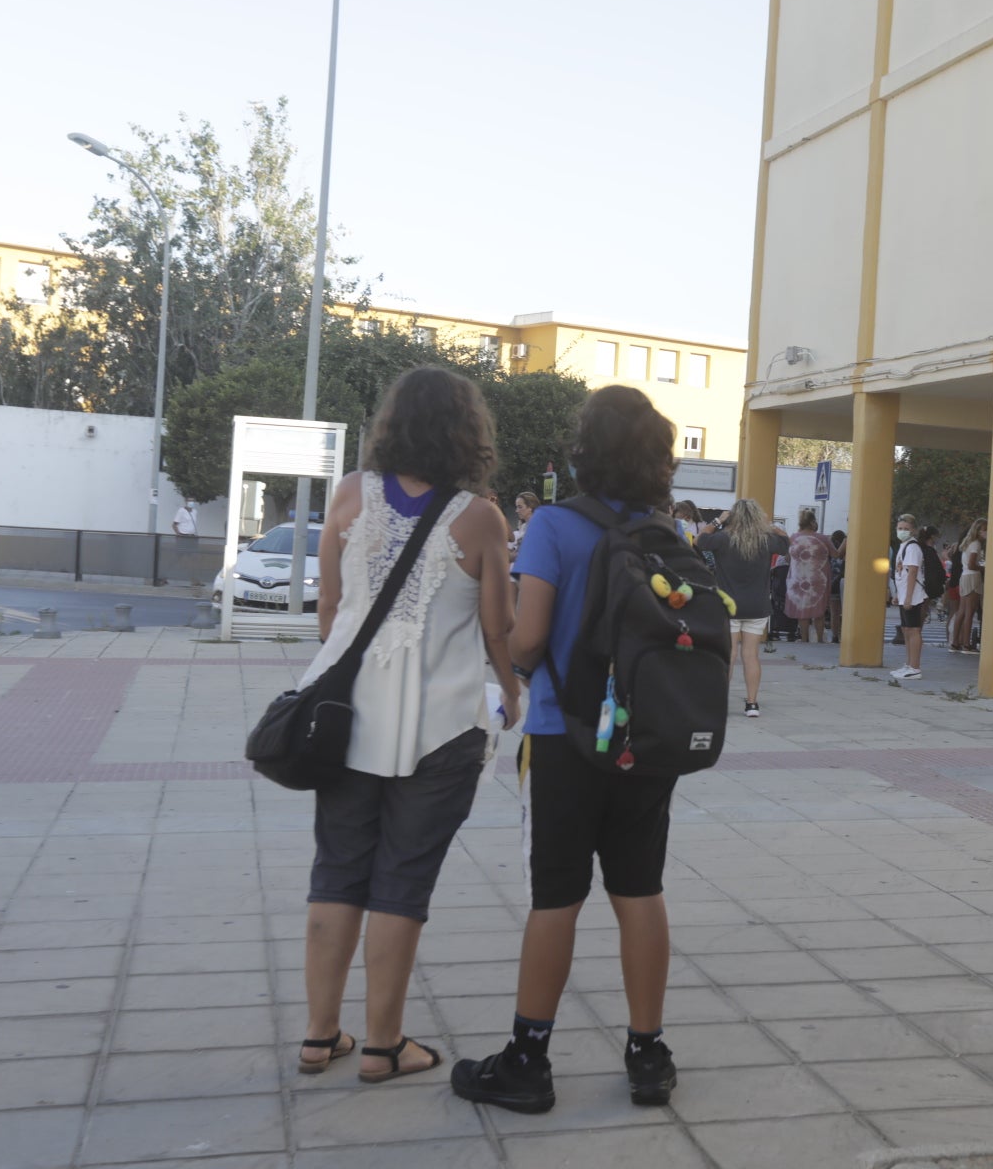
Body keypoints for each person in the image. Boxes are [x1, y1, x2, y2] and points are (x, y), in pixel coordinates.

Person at [453, 384, 682, 1115]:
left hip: (564, 735)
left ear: (586, 450)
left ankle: (528, 1059)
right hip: (644, 739)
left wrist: (503, 662)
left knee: (557, 896)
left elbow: (528, 637)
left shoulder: (553, 525)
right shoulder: (662, 530)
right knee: (639, 890)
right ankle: (648, 1053)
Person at [296, 366, 519, 1083]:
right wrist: (511, 692)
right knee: (403, 882)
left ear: (390, 424)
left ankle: (319, 1033)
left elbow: (328, 611)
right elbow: (498, 628)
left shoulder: (350, 497)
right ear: (468, 434)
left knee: (337, 870)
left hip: (348, 718)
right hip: (442, 726)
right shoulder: (480, 517)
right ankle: (385, 1044)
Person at [700, 499, 788, 718]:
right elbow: (786, 543)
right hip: (757, 606)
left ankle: (720, 703)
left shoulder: (722, 538)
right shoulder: (767, 540)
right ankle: (752, 704)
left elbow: (700, 541)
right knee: (751, 655)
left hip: (728, 606)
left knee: (729, 654)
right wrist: (769, 527)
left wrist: (718, 520)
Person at [784, 510, 833, 643]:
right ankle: (819, 640)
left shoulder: (793, 538)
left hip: (798, 577)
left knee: (803, 611)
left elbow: (787, 558)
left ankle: (804, 639)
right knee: (819, 610)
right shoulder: (823, 538)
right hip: (819, 578)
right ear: (813, 522)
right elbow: (835, 554)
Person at [889, 514, 928, 680]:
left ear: (913, 530)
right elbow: (901, 573)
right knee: (906, 629)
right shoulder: (904, 546)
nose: (902, 531)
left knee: (913, 630)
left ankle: (915, 667)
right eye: (900, 528)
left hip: (913, 595)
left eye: (906, 529)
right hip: (905, 593)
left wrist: (908, 597)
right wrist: (899, 594)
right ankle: (909, 664)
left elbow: (912, 572)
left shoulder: (912, 548)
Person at [952, 519, 987, 654]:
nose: (986, 532)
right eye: (984, 529)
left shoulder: (967, 543)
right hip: (973, 576)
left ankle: (956, 642)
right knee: (970, 612)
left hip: (964, 576)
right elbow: (972, 564)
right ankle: (967, 644)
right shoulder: (976, 545)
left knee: (962, 611)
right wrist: (983, 568)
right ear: (978, 531)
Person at [828, 530, 847, 642]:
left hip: (833, 582)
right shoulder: (849, 542)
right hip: (845, 580)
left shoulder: (830, 552)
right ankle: (843, 634)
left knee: (834, 612)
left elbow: (837, 555)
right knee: (846, 611)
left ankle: (835, 636)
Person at [511, 492, 542, 557]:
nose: (516, 511)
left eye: (520, 507)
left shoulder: (539, 527)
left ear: (530, 508)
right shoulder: (523, 526)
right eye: (517, 507)